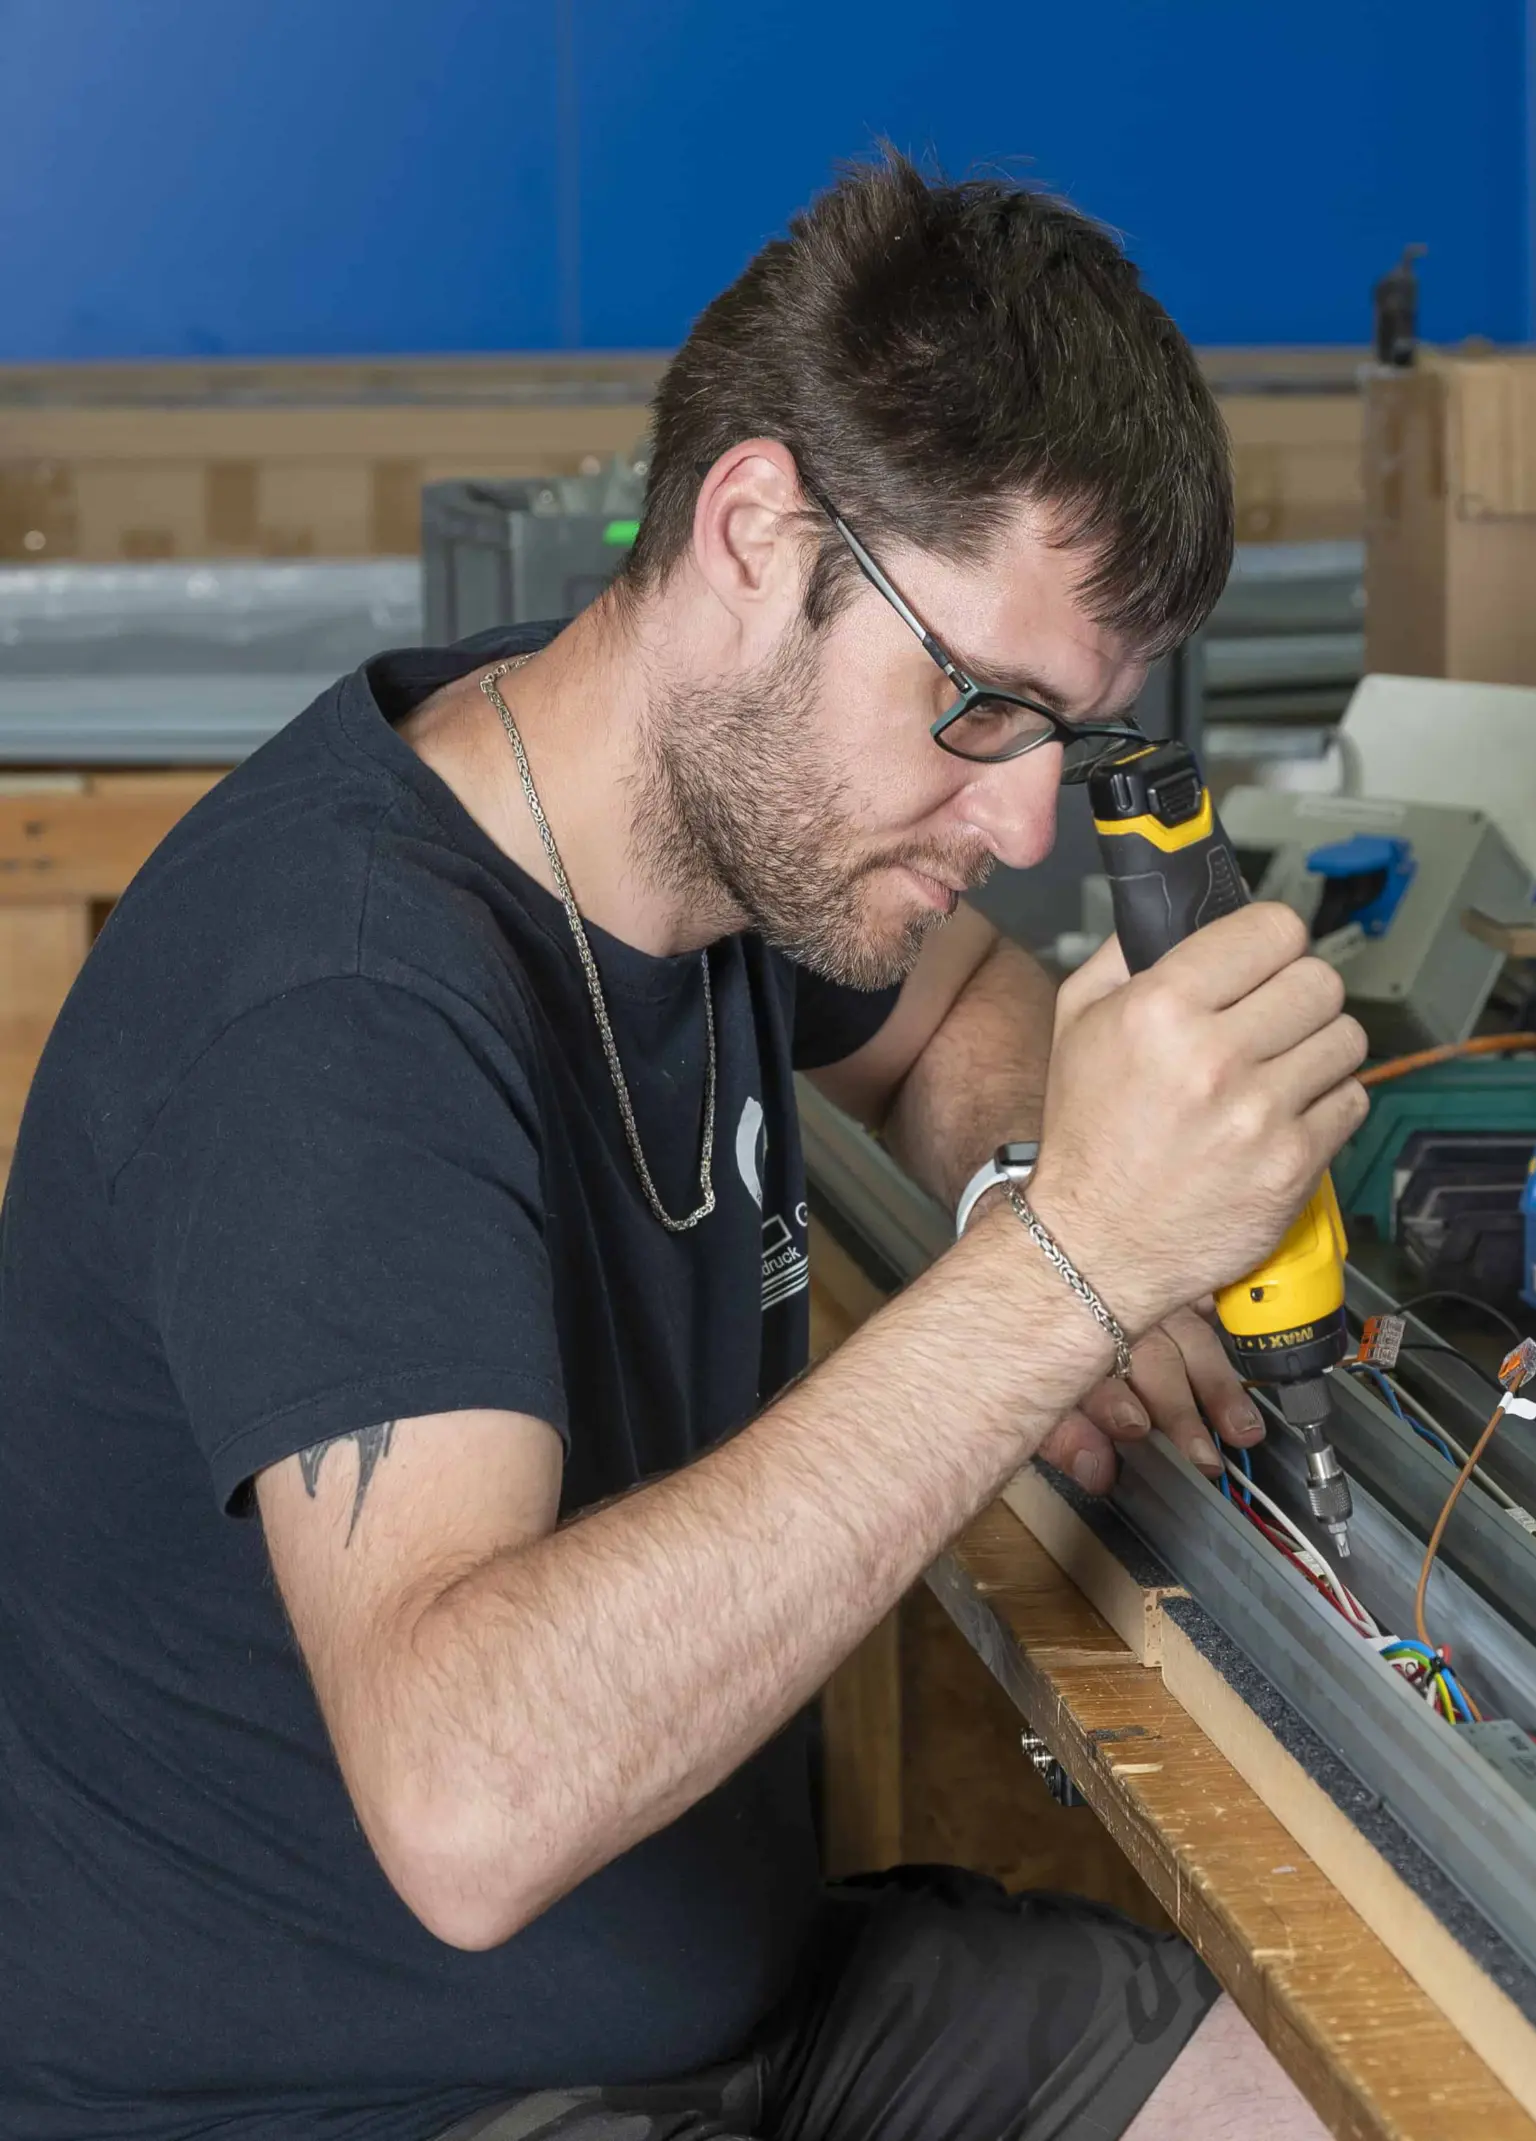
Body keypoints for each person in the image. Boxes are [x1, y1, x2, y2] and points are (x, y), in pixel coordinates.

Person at [0, 154, 1365, 2141]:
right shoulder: (337, 1013)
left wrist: (1008, 1174)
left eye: (1065, 736)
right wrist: (1064, 1265)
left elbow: (976, 1010)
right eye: (978, 705)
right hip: (351, 2098)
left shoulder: (704, 841)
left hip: (733, 2019)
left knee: (1337, 2090)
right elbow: (468, 1799)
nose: (1018, 822)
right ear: (751, 530)